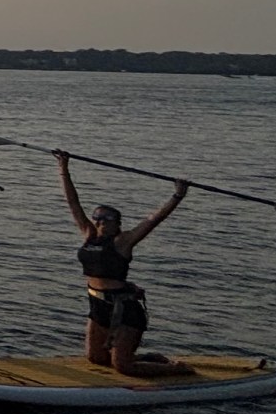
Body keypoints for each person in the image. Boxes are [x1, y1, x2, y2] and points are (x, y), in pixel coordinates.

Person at [59, 152, 192, 377]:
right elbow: (73, 202)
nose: (100, 222)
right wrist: (63, 166)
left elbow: (153, 220)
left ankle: (176, 369)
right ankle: (148, 358)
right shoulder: (89, 234)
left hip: (125, 309)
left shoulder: (124, 241)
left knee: (124, 368)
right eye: (97, 218)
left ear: (117, 224)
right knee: (96, 359)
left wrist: (177, 195)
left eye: (106, 219)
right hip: (97, 306)